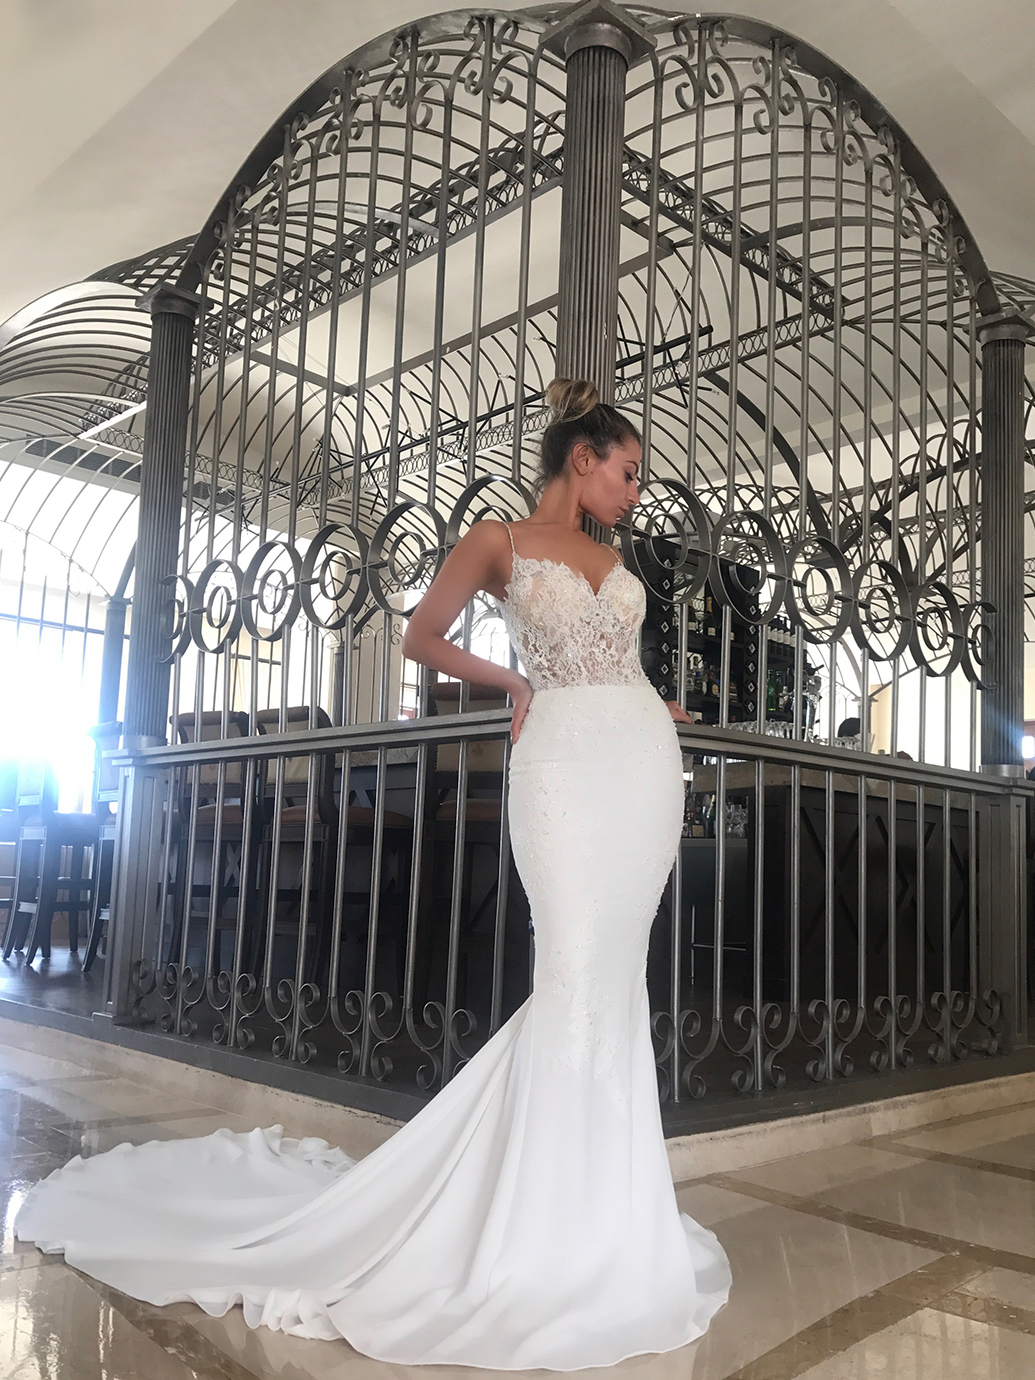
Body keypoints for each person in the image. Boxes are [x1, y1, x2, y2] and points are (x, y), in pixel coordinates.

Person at [16, 378, 731, 1370]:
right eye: (629, 470)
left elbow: (621, 662)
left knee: (613, 981)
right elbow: (419, 636)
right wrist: (513, 679)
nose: (636, 490)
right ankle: (540, 1218)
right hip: (563, 762)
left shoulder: (614, 562)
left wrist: (658, 707)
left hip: (640, 759)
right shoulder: (498, 541)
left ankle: (604, 1209)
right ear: (583, 459)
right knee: (571, 971)